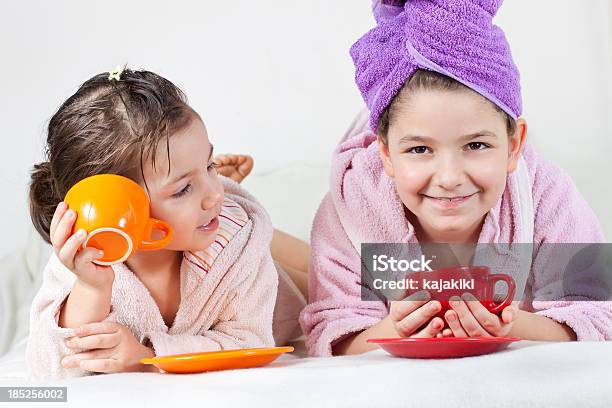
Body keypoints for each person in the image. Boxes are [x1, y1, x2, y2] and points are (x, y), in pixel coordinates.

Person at [300, 0, 612, 357]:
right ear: (385, 153)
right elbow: (331, 335)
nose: (448, 178)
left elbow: (598, 315)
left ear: (514, 145)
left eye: (476, 145)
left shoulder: (543, 193)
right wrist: (395, 329)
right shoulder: (355, 202)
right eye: (419, 150)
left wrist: (510, 324)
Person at [27, 67, 307, 379]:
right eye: (182, 188)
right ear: (111, 208)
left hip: (264, 267)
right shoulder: (83, 257)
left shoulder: (238, 245)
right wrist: (91, 288)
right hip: (208, 231)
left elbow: (251, 341)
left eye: (210, 164)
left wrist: (148, 356)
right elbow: (51, 367)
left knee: (338, 276)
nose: (214, 194)